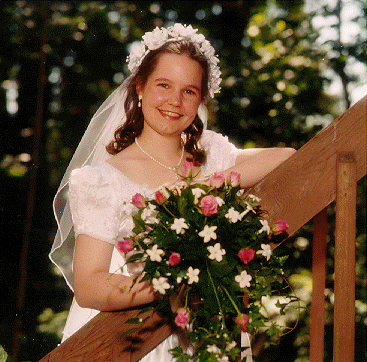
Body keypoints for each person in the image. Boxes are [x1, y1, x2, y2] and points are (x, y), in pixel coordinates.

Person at [50, 23, 295, 361]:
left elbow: (286, 157)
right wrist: (171, 282)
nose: (174, 102)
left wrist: (200, 189)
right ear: (139, 86)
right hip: (132, 335)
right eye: (163, 85)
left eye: (189, 91)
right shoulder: (103, 179)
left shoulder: (211, 155)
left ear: (201, 99)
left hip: (206, 330)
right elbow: (89, 286)